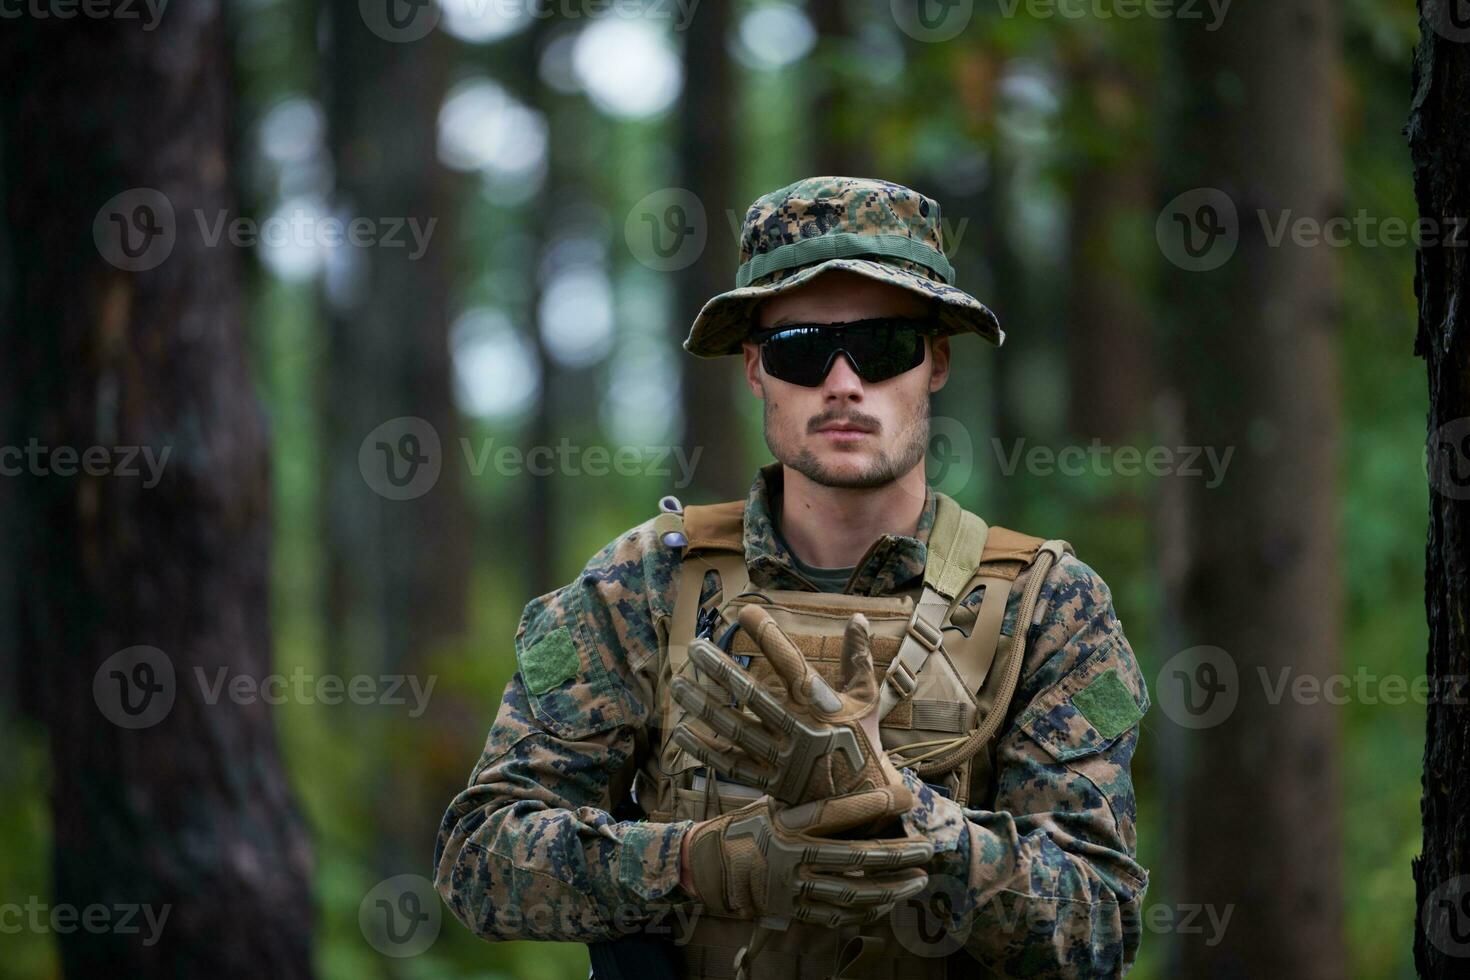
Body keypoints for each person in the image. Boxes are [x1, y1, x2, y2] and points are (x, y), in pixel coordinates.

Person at [434, 176, 1150, 979]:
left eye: (883, 349)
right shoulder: (648, 583)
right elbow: (480, 860)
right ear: (755, 369)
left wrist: (910, 816)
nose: (843, 383)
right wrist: (704, 862)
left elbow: (1096, 926)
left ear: (936, 362)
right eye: (802, 349)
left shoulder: (1046, 603)